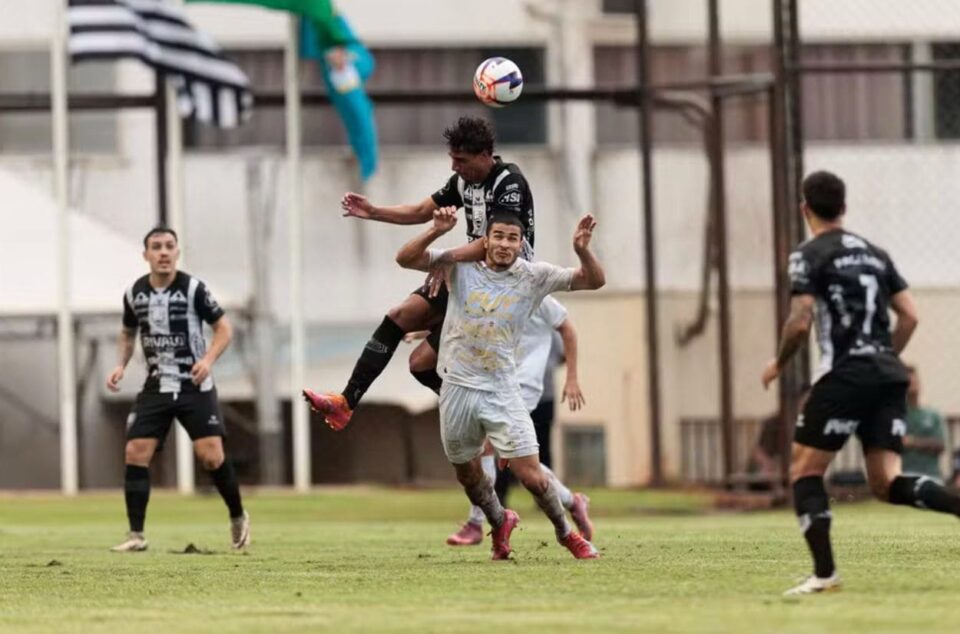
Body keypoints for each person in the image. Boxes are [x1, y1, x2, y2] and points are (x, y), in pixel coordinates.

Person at [762, 170, 960, 596]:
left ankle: (825, 574)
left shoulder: (808, 254)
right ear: (844, 208)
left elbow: (799, 322)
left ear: (805, 209)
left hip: (845, 374)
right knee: (887, 482)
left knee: (804, 470)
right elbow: (910, 315)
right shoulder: (875, 253)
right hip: (889, 374)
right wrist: (886, 355)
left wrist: (779, 363)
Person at [392, 207, 604, 559]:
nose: (505, 244)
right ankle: (497, 521)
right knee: (469, 475)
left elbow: (593, 281)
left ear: (521, 244)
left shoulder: (535, 277)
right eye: (499, 236)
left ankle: (567, 534)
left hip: (503, 388)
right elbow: (405, 258)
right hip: (457, 387)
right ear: (485, 240)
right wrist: (435, 230)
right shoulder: (460, 267)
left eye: (512, 238)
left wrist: (582, 250)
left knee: (532, 476)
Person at [303, 116, 534, 430]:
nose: (454, 167)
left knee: (420, 363)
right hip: (470, 278)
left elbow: (496, 245)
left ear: (484, 155)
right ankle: (346, 402)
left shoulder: (509, 183)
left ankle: (490, 414)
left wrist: (446, 259)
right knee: (401, 314)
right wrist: (373, 212)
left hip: (501, 290)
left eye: (461, 160)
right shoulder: (464, 182)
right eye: (452, 159)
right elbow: (419, 211)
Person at [107, 227, 249, 552]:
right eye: (156, 247)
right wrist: (120, 365)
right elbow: (128, 333)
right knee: (135, 452)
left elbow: (223, 328)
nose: (163, 252)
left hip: (194, 385)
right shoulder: (134, 294)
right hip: (157, 385)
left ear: (177, 253)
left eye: (169, 246)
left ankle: (238, 516)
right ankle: (136, 535)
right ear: (146, 255)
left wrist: (209, 360)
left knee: (211, 457)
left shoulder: (194, 289)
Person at [446, 296, 593, 546]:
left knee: (487, 444)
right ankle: (572, 500)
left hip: (525, 385)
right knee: (521, 463)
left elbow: (567, 329)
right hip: (496, 381)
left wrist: (572, 378)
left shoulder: (538, 294)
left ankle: (476, 523)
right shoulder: (492, 296)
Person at [746, 384, 810, 499]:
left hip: (792, 466)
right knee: (772, 471)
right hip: (772, 465)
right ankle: (779, 494)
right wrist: (769, 465)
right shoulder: (775, 421)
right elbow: (758, 451)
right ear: (797, 401)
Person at [901, 365, 946, 480]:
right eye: (909, 382)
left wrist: (912, 442)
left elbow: (940, 445)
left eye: (915, 381)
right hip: (904, 475)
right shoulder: (897, 416)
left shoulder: (932, 414)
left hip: (931, 475)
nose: (913, 385)